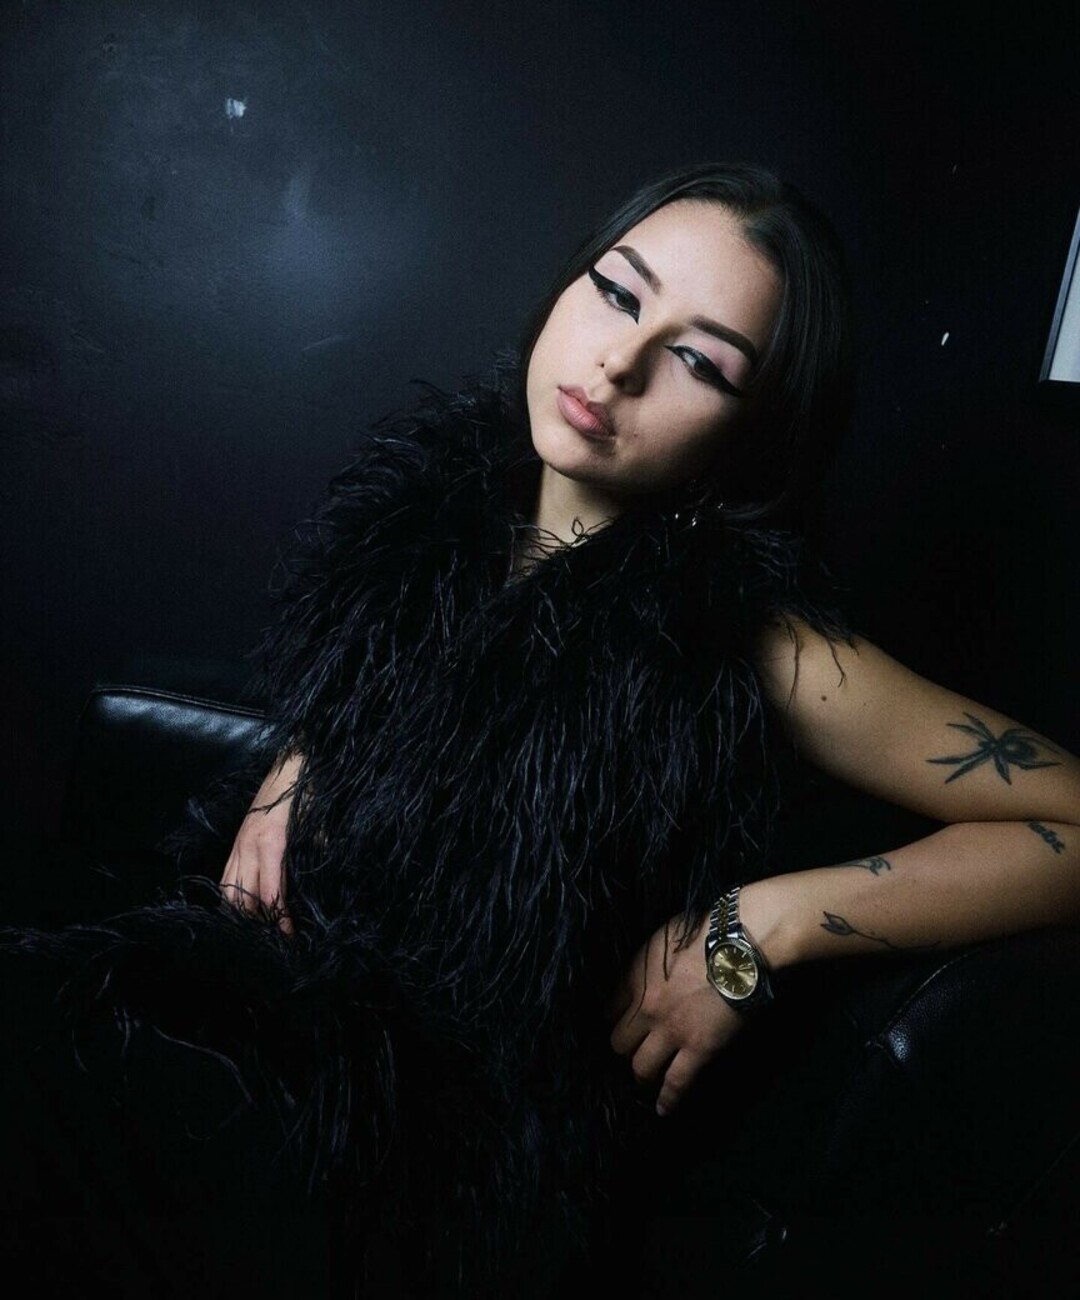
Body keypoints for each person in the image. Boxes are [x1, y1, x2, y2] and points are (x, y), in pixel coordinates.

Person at [2, 162, 1078, 1298]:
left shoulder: (752, 642)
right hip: (231, 1027)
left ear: (753, 434)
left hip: (410, 1177)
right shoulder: (434, 527)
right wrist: (303, 758)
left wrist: (763, 924)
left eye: (701, 361)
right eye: (618, 292)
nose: (618, 364)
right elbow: (407, 694)